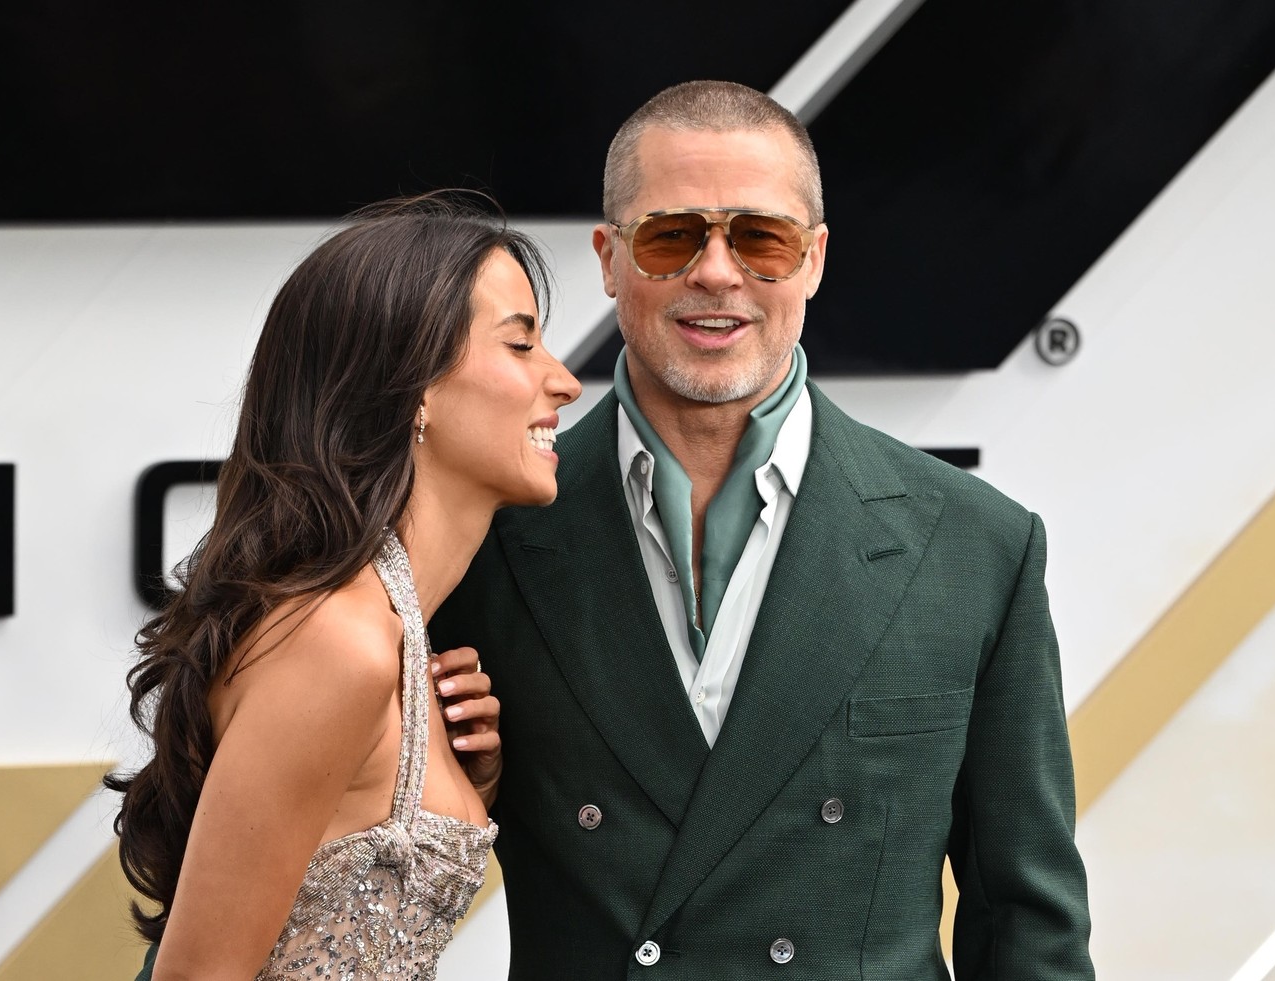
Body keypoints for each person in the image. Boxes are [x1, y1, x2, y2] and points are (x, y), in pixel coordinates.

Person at [430, 81, 1095, 979]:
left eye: (761, 238)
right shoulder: (482, 538)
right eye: (672, 236)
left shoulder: (977, 547)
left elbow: (1029, 929)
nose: (715, 272)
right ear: (609, 258)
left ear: (813, 258)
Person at [109, 192, 581, 980]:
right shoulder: (340, 638)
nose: (564, 381)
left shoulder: (392, 632)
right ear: (414, 383)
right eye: (521, 344)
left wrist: (463, 784)